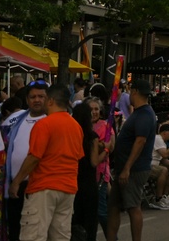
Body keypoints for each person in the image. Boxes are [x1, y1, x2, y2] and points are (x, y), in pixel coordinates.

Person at [7, 84, 84, 241]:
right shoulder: (76, 126)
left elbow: (34, 157)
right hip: (68, 188)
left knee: (34, 236)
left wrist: (17, 181)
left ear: (50, 101)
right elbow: (78, 156)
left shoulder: (44, 124)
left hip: (44, 187)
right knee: (60, 236)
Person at [106, 79, 155, 241]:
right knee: (113, 206)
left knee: (133, 206)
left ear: (134, 92)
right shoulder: (139, 113)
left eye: (130, 91)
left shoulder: (145, 114)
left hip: (134, 169)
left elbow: (140, 141)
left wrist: (127, 168)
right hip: (124, 168)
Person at [4, 79, 48, 241]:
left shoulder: (50, 120)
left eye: (41, 96)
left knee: (34, 233)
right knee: (15, 230)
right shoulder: (17, 119)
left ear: (48, 98)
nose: (36, 100)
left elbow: (36, 156)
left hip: (38, 187)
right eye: (33, 97)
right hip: (15, 186)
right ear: (27, 99)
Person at [72, 99, 108, 239]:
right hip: (88, 182)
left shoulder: (73, 134)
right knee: (90, 221)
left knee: (76, 219)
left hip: (74, 180)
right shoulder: (91, 136)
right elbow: (94, 162)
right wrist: (105, 149)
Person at [148, 123, 169, 210]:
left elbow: (162, 158)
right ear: (165, 132)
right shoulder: (157, 139)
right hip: (149, 165)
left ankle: (165, 195)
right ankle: (158, 198)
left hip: (156, 164)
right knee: (163, 170)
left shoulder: (162, 143)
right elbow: (165, 154)